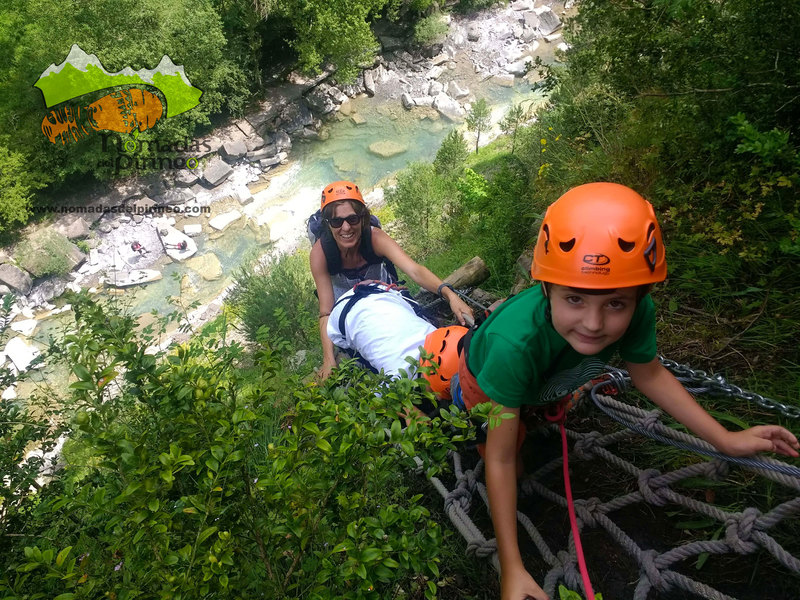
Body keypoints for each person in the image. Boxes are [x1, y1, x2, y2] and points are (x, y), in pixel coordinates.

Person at [452, 182, 799, 600]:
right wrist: (512, 566)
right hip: (484, 379)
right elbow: (504, 461)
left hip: (543, 380)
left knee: (539, 412)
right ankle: (466, 397)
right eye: (575, 300)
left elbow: (649, 374)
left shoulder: (637, 311)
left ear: (640, 295)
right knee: (516, 462)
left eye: (615, 304)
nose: (594, 324)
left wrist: (724, 438)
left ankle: (537, 407)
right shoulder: (514, 344)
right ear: (544, 288)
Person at [310, 180, 473, 379]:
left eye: (352, 219)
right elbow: (326, 310)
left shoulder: (375, 238)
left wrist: (450, 294)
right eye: (337, 222)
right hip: (348, 312)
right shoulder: (321, 253)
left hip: (384, 296)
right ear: (328, 225)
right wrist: (329, 359)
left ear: (363, 218)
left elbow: (414, 270)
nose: (346, 227)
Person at [327, 279, 467, 396]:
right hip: (339, 319)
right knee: (369, 366)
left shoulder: (436, 333)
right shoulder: (398, 374)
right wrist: (408, 411)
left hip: (376, 291)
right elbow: (377, 402)